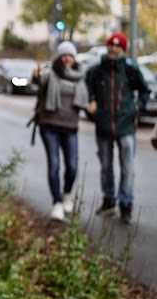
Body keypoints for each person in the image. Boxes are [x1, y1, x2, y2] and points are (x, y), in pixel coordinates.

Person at [85, 32, 150, 224]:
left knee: (127, 168)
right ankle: (109, 201)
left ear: (123, 49)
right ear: (107, 47)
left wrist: (138, 106)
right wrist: (91, 103)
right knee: (106, 167)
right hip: (103, 125)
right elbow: (85, 92)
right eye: (111, 46)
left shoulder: (130, 71)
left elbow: (145, 90)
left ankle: (126, 204)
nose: (113, 49)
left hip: (125, 126)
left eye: (118, 47)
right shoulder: (95, 72)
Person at [33, 41, 90, 221]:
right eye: (64, 55)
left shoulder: (80, 77)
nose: (67, 59)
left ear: (74, 58)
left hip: (70, 127)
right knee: (54, 164)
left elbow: (88, 98)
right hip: (49, 126)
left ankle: (67, 194)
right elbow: (39, 82)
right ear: (59, 57)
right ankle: (56, 202)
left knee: (72, 166)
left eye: (70, 56)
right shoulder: (50, 73)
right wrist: (36, 76)